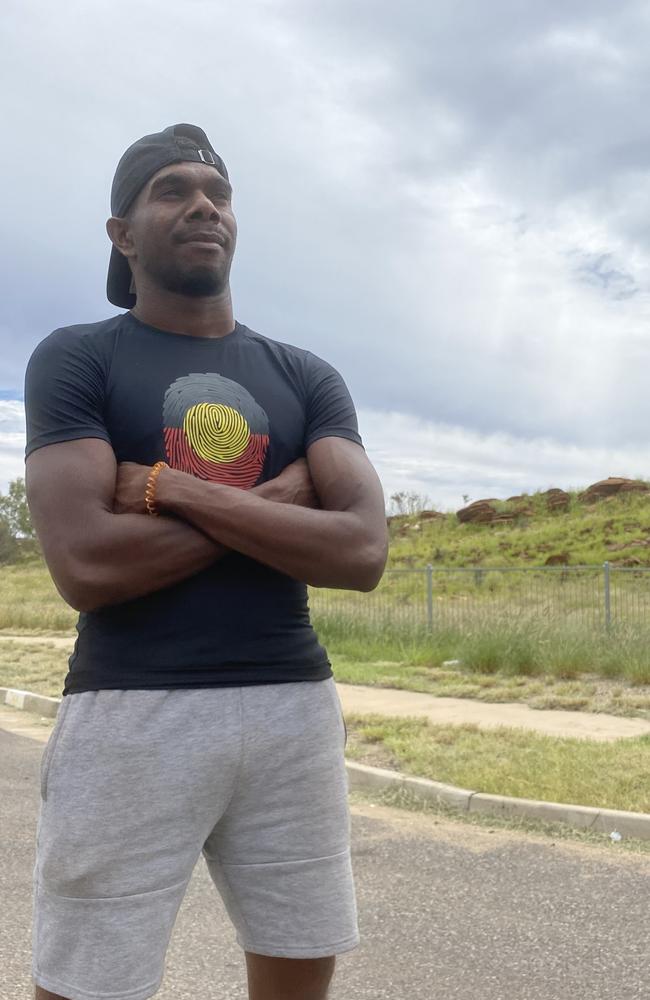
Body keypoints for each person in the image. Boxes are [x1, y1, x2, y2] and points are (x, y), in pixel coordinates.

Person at [24, 123, 388, 1000]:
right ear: (122, 232)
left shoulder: (305, 374)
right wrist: (283, 499)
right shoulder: (79, 357)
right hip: (132, 711)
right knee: (90, 979)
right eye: (173, 191)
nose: (203, 207)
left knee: (300, 956)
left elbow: (362, 550)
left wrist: (173, 491)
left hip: (292, 706)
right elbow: (88, 566)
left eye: (218, 194)